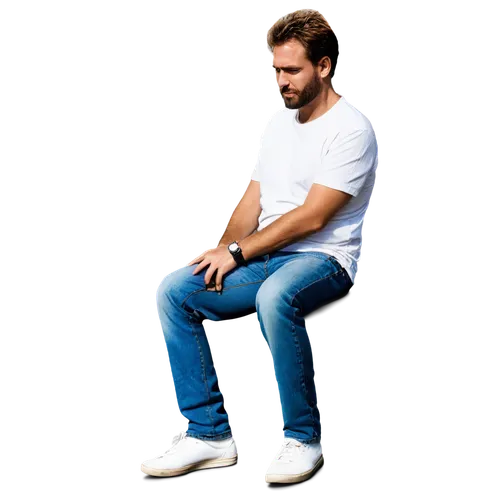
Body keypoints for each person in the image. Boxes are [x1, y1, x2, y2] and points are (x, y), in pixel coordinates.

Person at [141, 7, 379, 485]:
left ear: (324, 67)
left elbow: (313, 217)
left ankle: (303, 439)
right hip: (266, 253)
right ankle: (207, 435)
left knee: (276, 297)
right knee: (172, 291)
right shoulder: (276, 122)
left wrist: (238, 254)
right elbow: (254, 199)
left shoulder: (353, 130)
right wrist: (221, 249)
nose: (281, 82)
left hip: (324, 256)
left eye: (292, 71)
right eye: (276, 70)